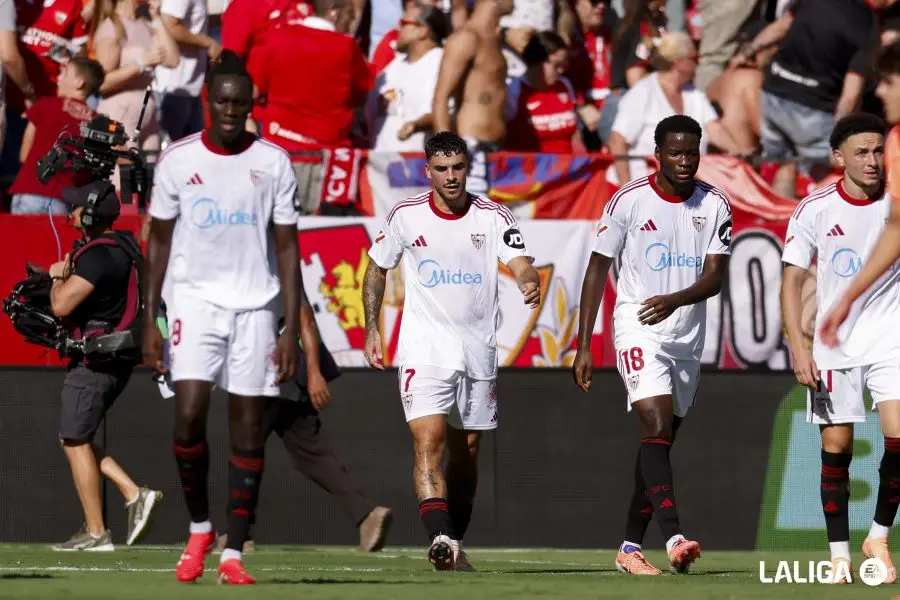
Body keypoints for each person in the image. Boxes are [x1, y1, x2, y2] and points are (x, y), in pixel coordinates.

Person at [142, 51, 300, 585]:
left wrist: (291, 328)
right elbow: (157, 241)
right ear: (208, 102)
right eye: (223, 101)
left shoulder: (274, 162)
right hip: (193, 301)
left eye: (241, 103)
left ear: (251, 105)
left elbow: (287, 248)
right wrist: (149, 320)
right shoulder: (178, 160)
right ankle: (199, 526)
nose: (232, 110)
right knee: (188, 413)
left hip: (257, 305)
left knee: (249, 430)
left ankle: (232, 553)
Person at [362, 131, 541, 571]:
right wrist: (372, 327)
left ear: (467, 168)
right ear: (428, 172)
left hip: (477, 352)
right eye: (441, 169)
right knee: (428, 443)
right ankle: (439, 536)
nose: (451, 177)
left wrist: (527, 280)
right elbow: (376, 269)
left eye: (458, 167)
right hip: (424, 350)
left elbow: (520, 261)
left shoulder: (493, 216)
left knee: (468, 454)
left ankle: (453, 545)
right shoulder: (405, 216)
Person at [572, 114, 732, 576]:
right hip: (638, 323)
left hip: (686, 334)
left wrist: (676, 301)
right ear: (657, 155)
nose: (685, 161)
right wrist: (585, 344)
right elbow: (598, 269)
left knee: (659, 443)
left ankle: (627, 549)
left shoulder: (715, 204)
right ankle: (676, 538)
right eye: (676, 153)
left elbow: (715, 277)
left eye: (693, 152)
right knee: (656, 422)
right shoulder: (628, 201)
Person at [154, 289, 393, 554]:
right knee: (311, 452)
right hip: (282, 368)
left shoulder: (276, 260)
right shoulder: (245, 267)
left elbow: (305, 319)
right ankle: (367, 513)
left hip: (273, 367)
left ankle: (239, 535)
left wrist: (314, 372)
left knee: (246, 448)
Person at [781, 113, 900, 584]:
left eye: (878, 151)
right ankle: (839, 557)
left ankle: (878, 535)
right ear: (838, 157)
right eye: (861, 152)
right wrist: (797, 347)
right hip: (833, 346)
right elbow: (791, 282)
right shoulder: (814, 209)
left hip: (891, 338)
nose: (872, 161)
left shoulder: (897, 201)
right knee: (838, 447)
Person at [45, 178, 162, 551]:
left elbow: (61, 305)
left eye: (76, 206)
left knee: (74, 438)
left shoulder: (98, 255)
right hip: (116, 356)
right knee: (75, 437)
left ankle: (98, 532)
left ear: (91, 212)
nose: (70, 212)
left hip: (98, 359)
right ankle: (132, 493)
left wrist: (55, 278)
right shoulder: (123, 247)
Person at [432, 0, 515, 196]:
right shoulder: (466, 38)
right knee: (471, 224)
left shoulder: (494, 40)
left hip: (495, 154)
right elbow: (440, 98)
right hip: (471, 151)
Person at [9, 57, 103, 214]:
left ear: (79, 82)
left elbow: (24, 156)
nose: (58, 79)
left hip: (29, 192)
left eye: (65, 74)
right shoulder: (97, 123)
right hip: (61, 200)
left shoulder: (44, 106)